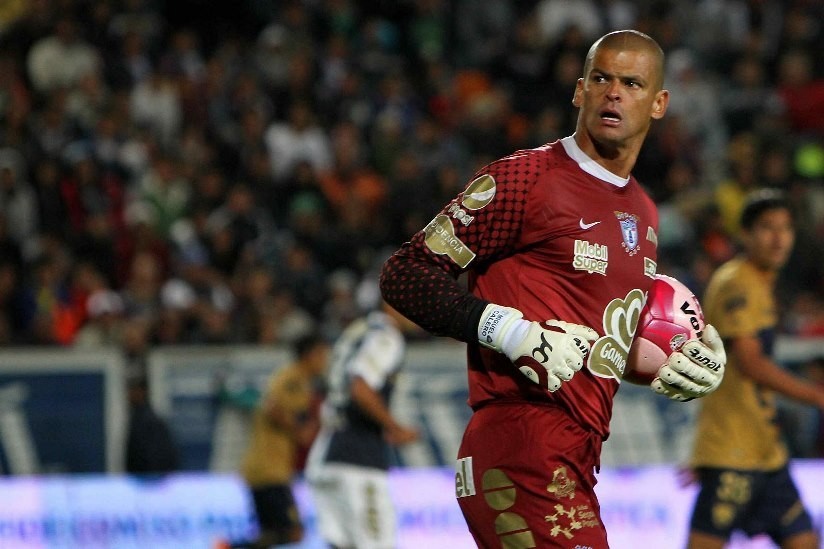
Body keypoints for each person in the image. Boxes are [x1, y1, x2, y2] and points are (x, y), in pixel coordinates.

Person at [379, 29, 727, 548]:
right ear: (579, 90)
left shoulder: (644, 212)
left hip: (576, 453)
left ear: (658, 104)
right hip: (521, 442)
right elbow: (405, 274)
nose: (613, 92)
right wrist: (510, 331)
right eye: (601, 78)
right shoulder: (526, 179)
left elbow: (579, 344)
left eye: (631, 83)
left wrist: (665, 362)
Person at [686, 189, 823, 549]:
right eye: (767, 227)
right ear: (744, 235)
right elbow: (750, 362)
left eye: (786, 228)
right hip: (733, 450)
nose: (779, 238)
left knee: (806, 541)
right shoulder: (737, 283)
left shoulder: (760, 283)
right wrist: (816, 395)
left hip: (765, 451)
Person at [305, 300, 420, 549]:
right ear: (391, 303)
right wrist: (394, 427)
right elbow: (361, 388)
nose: (421, 310)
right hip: (358, 459)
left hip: (326, 454)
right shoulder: (386, 336)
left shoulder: (359, 329)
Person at [238, 333, 330, 548]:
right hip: (269, 469)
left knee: (271, 534)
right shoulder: (292, 379)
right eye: (322, 355)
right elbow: (272, 407)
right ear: (310, 355)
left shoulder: (300, 382)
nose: (325, 361)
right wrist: (299, 430)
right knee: (293, 532)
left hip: (268, 468)